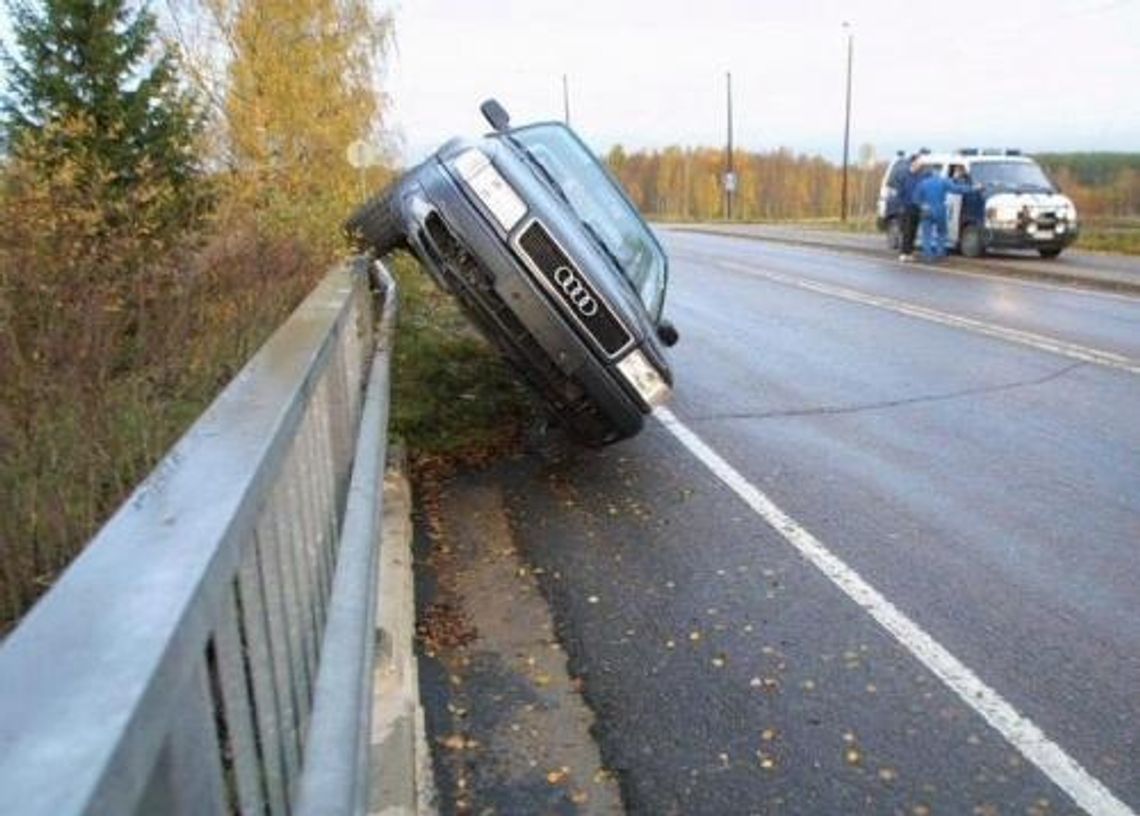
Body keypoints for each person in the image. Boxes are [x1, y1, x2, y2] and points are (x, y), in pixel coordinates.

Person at [912, 170, 973, 261]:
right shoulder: (942, 181)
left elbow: (915, 199)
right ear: (938, 175)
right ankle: (940, 254)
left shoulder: (922, 183)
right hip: (940, 209)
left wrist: (922, 206)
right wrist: (973, 188)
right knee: (942, 232)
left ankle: (928, 256)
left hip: (926, 210)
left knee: (927, 234)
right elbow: (957, 189)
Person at [896, 154, 924, 262]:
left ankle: (910, 252)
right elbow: (900, 192)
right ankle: (903, 252)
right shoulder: (904, 176)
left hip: (916, 207)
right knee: (906, 230)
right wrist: (901, 205)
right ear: (913, 162)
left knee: (914, 231)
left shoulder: (919, 176)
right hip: (906, 206)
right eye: (918, 162)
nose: (920, 164)